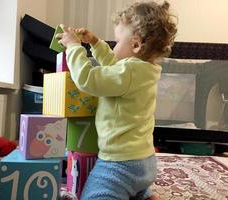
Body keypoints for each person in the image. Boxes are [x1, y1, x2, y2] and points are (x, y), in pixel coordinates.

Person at [56, 1, 177, 199]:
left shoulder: (128, 72)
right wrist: (95, 42)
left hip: (120, 162)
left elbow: (87, 79)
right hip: (145, 160)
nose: (114, 46)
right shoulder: (145, 70)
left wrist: (74, 47)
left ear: (136, 45)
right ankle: (142, 194)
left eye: (117, 41)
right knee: (134, 187)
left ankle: (136, 192)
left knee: (94, 195)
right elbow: (114, 65)